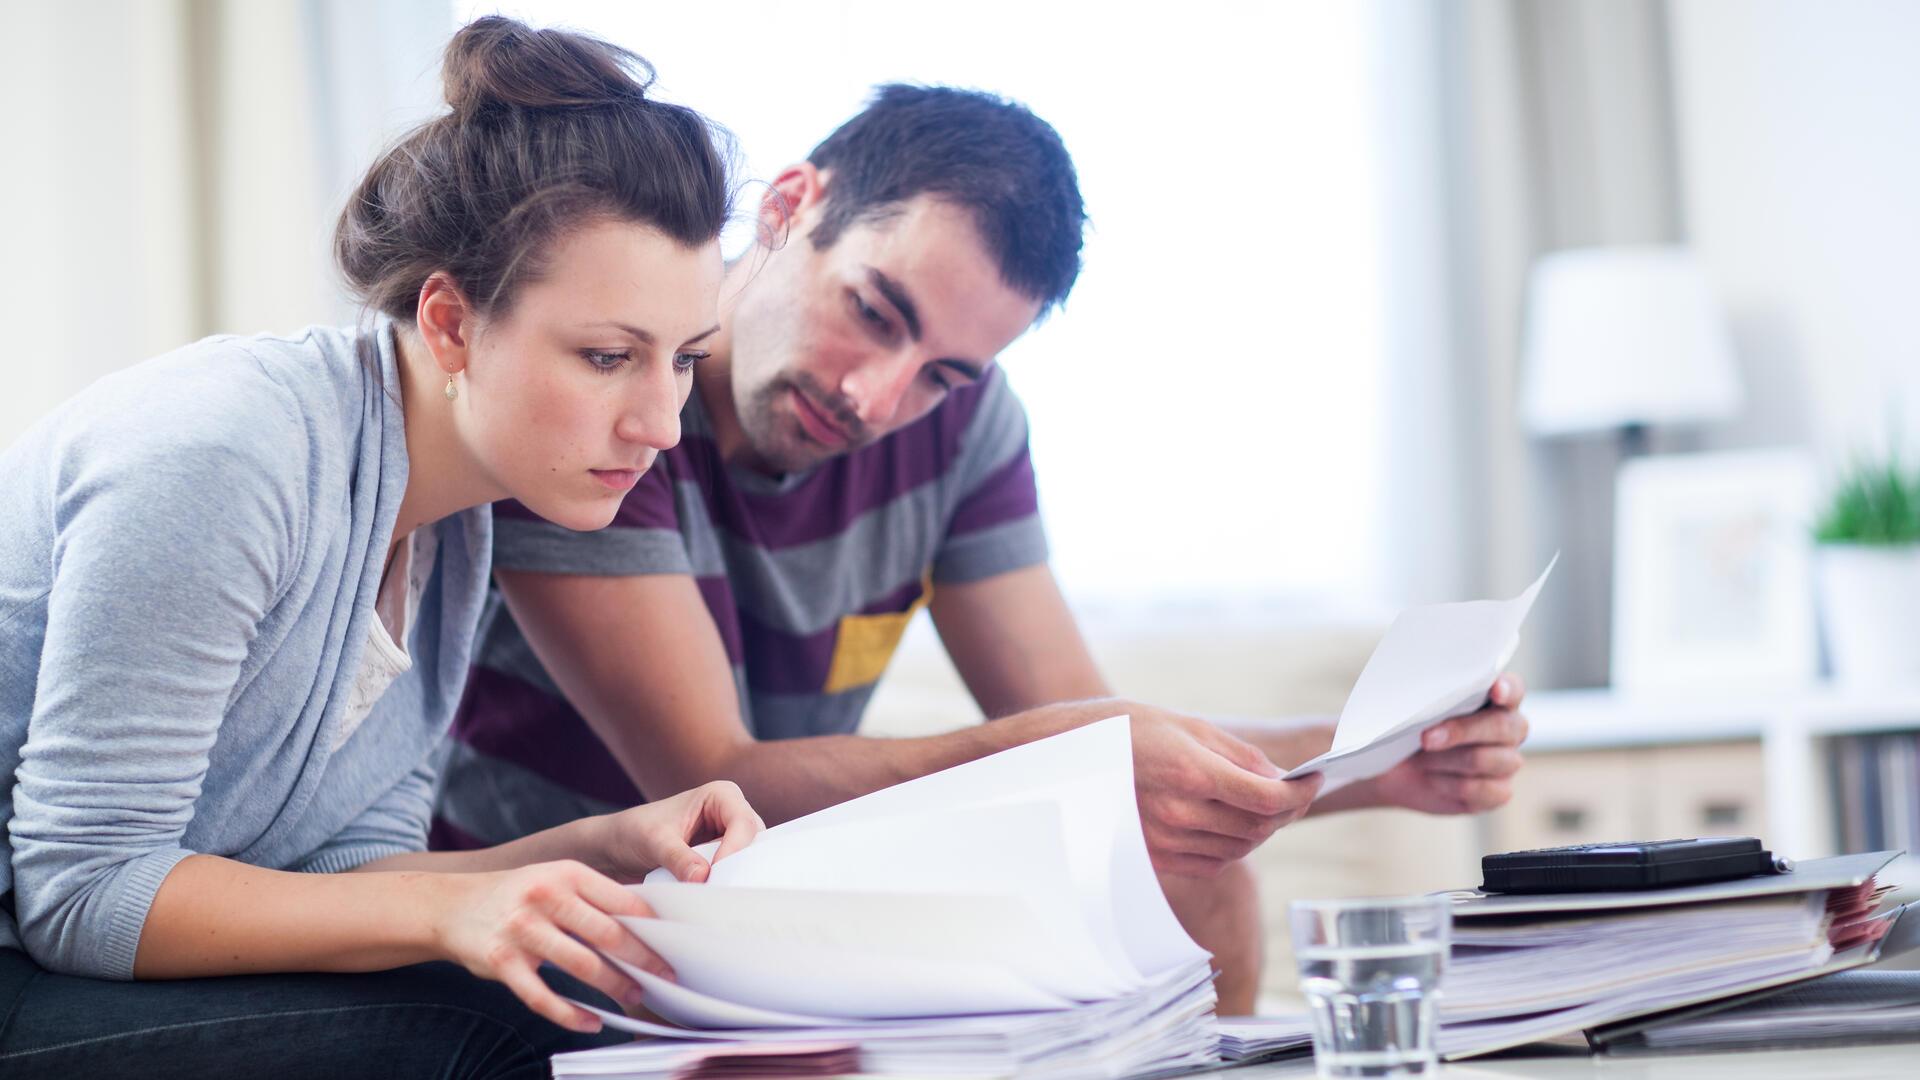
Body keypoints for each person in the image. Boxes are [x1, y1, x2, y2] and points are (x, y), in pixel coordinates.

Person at [433, 84, 1530, 1014]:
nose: (876, 396)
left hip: (774, 894)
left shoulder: (961, 421)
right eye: (872, 308)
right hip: (570, 908)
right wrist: (1077, 750)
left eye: (946, 373)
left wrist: (1374, 754)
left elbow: (1094, 735)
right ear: (788, 205)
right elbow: (712, 775)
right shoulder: (622, 402)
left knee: (1181, 872)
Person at [0, 18, 766, 1079]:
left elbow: (351, 870)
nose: (663, 423)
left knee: (629, 1003)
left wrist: (599, 846)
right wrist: (451, 912)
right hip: (30, 952)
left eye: (682, 360)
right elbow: (80, 892)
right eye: (605, 357)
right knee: (492, 1042)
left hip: (94, 960)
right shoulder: (222, 456)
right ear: (450, 323)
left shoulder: (451, 513)